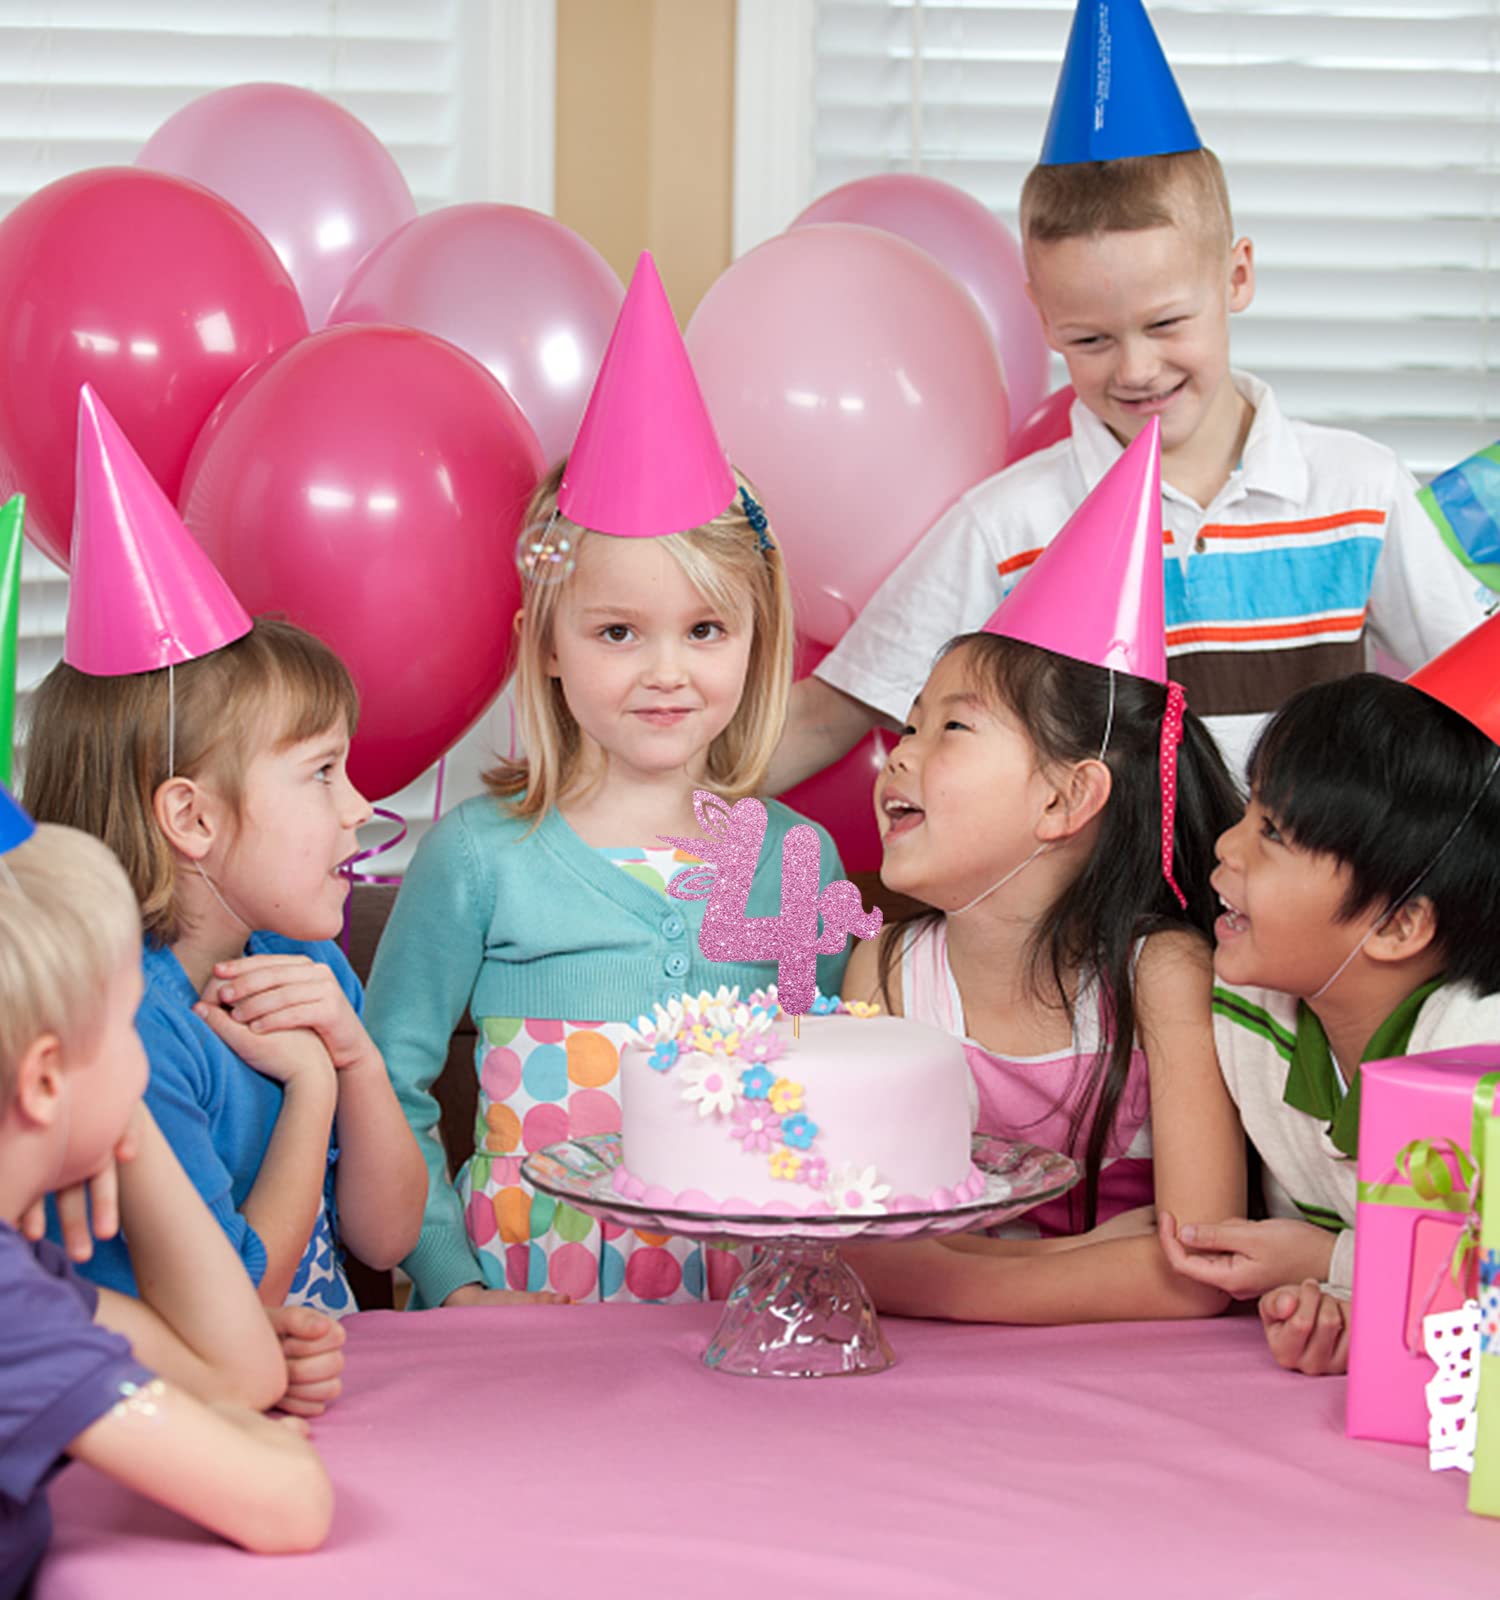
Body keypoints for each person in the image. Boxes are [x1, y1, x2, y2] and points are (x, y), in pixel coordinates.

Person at [772, 0, 1486, 791]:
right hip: (1108, 880)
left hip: (1312, 874)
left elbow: (1480, 695)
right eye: (1091, 340)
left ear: (1236, 276)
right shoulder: (1008, 527)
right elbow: (826, 716)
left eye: (1167, 323)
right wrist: (666, 799)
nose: (1138, 370)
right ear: (1043, 317)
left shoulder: (1360, 492)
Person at [365, 254, 851, 1309]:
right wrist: (450, 1282)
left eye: (705, 629)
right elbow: (384, 1079)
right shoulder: (479, 857)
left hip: (735, 1313)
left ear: (757, 638)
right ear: (546, 643)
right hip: (524, 1303)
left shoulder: (795, 860)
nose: (666, 671)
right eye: (618, 632)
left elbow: (831, 1084)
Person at [25, 386, 423, 1400]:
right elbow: (233, 1313)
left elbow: (387, 1235)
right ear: (192, 819)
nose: (360, 806)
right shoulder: (129, 1031)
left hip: (331, 1381)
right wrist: (312, 1088)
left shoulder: (304, 959)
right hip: (191, 1404)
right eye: (322, 772)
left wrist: (355, 1057)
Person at [840, 420, 1246, 1323]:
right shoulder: (888, 972)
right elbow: (866, 1224)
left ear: (1066, 799)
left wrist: (944, 1278)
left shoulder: (1162, 975)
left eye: (951, 727)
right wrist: (1104, 1255)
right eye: (909, 725)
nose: (899, 755)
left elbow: (1197, 1268)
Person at [0, 803, 332, 1595]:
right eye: (125, 1026)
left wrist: (111, 1117)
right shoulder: (10, 1309)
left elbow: (238, 1374)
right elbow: (287, 1504)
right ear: (43, 1078)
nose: (141, 1060)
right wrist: (257, 1444)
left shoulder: (21, 1272)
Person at [1161, 619, 1500, 1374]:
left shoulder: (1477, 1056)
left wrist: (1328, 1259)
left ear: (1398, 923)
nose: (1225, 844)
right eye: (1247, 809)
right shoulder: (1250, 1008)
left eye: (1274, 833)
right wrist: (1342, 1306)